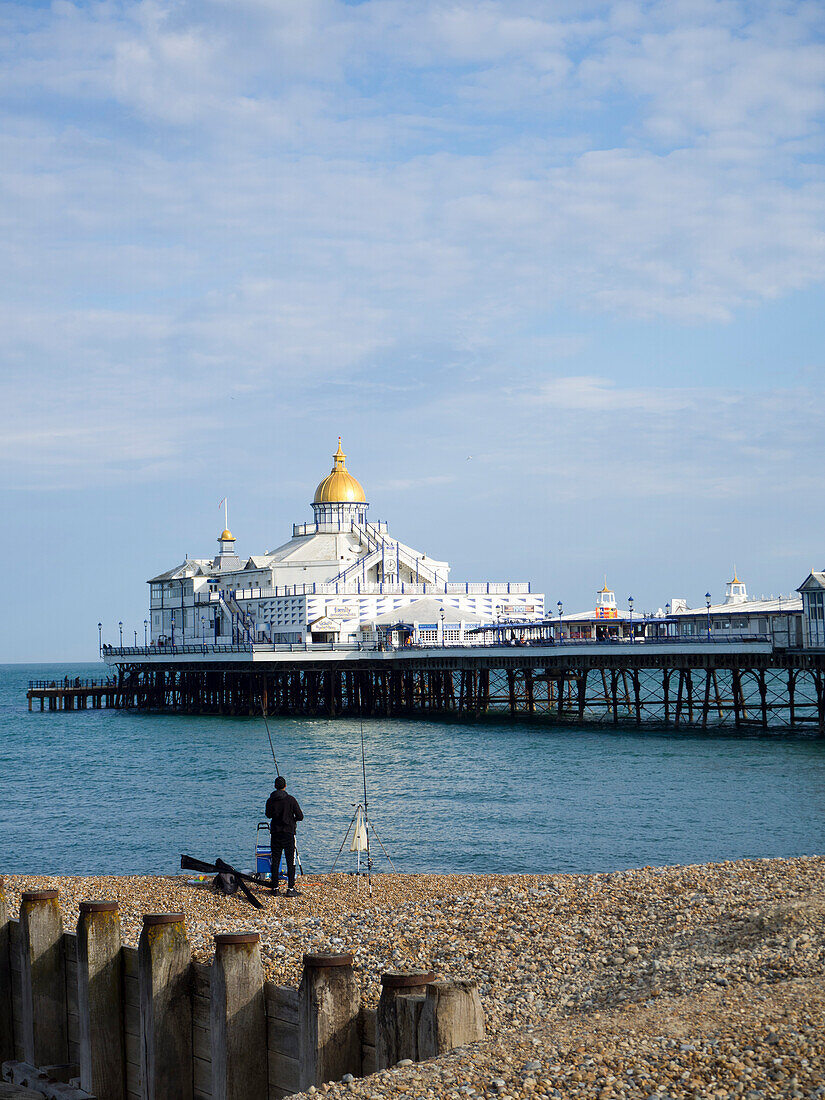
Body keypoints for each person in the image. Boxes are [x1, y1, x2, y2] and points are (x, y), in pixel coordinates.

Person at [265, 776, 304, 896]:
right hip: (288, 833)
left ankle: (275, 888)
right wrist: (293, 819)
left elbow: (268, 815)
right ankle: (290, 889)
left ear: (275, 787)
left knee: (275, 861)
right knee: (290, 861)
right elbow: (300, 816)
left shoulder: (270, 800)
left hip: (276, 833)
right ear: (285, 786)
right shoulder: (291, 799)